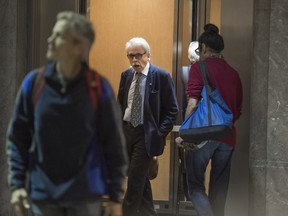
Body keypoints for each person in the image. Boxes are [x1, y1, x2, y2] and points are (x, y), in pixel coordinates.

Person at [6, 11, 127, 216]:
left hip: (85, 198)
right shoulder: (34, 84)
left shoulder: (98, 88)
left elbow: (114, 143)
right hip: (43, 197)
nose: (50, 39)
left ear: (78, 46)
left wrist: (115, 196)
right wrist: (17, 185)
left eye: (59, 35)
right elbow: (18, 138)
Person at [182, 24, 243, 216]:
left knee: (195, 186)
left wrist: (187, 134)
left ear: (205, 48)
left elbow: (192, 103)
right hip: (227, 136)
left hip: (202, 134)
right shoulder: (234, 73)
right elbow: (238, 110)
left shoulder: (199, 67)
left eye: (200, 50)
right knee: (219, 189)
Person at [117, 37, 179, 216]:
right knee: (140, 179)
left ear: (148, 55)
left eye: (138, 55)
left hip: (147, 134)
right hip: (128, 130)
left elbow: (172, 110)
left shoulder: (161, 76)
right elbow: (120, 104)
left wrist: (159, 134)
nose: (134, 60)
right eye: (130, 56)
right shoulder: (126, 75)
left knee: (135, 182)